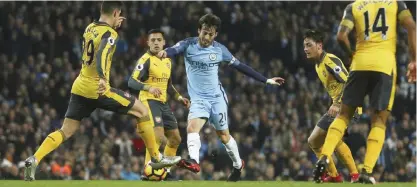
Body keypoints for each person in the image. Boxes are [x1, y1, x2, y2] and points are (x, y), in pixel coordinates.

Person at [24, 1, 180, 181]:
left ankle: (34, 158)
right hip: (97, 87)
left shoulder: (90, 28)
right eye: (118, 15)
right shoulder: (110, 33)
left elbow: (97, 45)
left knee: (66, 130)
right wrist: (104, 80)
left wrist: (112, 25)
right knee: (142, 111)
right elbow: (102, 55)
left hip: (80, 85)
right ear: (115, 12)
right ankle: (156, 158)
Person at [157, 13, 285, 182]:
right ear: (199, 30)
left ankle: (238, 165)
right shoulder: (188, 44)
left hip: (217, 98)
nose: (206, 37)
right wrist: (165, 53)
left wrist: (266, 80)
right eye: (204, 32)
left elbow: (241, 67)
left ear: (215, 34)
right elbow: (174, 49)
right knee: (191, 128)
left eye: (210, 34)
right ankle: (194, 161)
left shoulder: (220, 50)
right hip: (199, 100)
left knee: (224, 136)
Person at [315, 0, 416, 184]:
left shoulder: (353, 7)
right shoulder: (395, 4)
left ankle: (325, 155)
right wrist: (414, 60)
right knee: (379, 120)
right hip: (384, 65)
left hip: (359, 63)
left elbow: (341, 36)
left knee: (343, 116)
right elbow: (411, 26)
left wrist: (352, 54)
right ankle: (366, 171)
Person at [128, 29, 191, 180]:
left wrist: (179, 97)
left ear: (164, 43)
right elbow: (131, 81)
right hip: (148, 100)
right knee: (157, 136)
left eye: (159, 40)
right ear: (148, 43)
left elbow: (168, 85)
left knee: (175, 139)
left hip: (163, 103)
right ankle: (147, 171)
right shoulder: (145, 60)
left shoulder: (168, 60)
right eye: (153, 40)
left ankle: (165, 173)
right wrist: (149, 87)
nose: (156, 42)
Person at [303, 29, 359, 183]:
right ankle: (337, 176)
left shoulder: (330, 61)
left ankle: (351, 175)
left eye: (309, 45)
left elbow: (349, 83)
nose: (306, 49)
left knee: (327, 138)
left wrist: (337, 103)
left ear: (319, 45)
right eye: (304, 46)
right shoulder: (317, 65)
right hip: (340, 105)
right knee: (315, 141)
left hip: (348, 105)